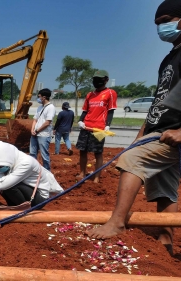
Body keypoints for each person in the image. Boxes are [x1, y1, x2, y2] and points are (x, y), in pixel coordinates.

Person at [89, 1, 181, 246]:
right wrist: (141, 134)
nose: (162, 27)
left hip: (173, 133)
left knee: (132, 160)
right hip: (159, 131)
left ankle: (117, 222)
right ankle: (166, 241)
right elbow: (159, 104)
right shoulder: (170, 58)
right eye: (158, 23)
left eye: (167, 20)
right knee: (163, 186)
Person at [76, 70, 117, 183]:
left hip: (99, 129)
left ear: (106, 80)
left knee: (98, 153)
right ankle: (82, 173)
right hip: (86, 127)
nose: (96, 82)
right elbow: (85, 110)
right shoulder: (90, 95)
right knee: (82, 151)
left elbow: (110, 111)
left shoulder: (110, 93)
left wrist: (107, 125)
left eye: (99, 79)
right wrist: (80, 121)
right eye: (95, 79)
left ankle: (97, 177)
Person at [30, 88, 55, 171]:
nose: (38, 98)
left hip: (44, 135)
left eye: (39, 96)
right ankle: (33, 171)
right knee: (32, 154)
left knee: (44, 155)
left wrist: (37, 130)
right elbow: (35, 119)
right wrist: (32, 129)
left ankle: (47, 172)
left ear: (44, 97)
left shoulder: (50, 108)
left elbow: (47, 122)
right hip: (35, 134)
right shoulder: (40, 107)